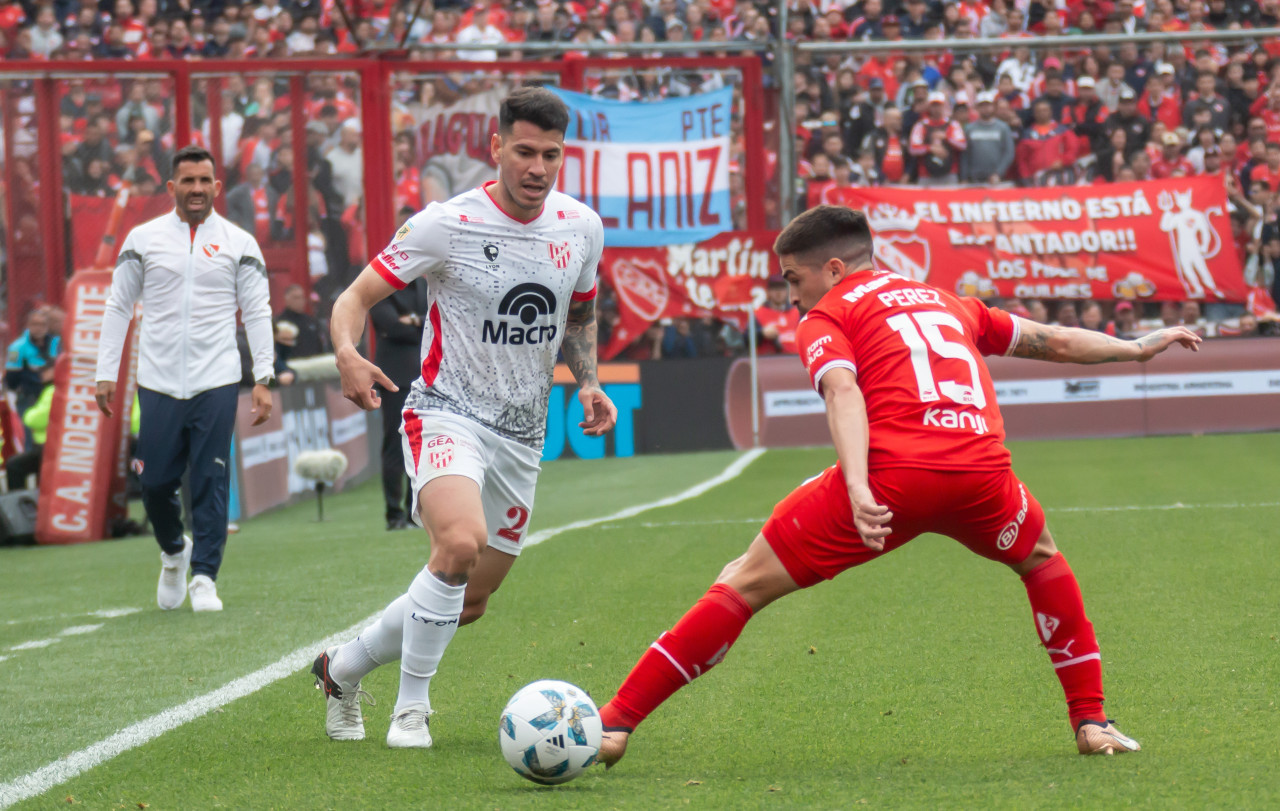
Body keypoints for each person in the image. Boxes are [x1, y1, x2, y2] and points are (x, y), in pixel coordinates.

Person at [595, 206, 1202, 768]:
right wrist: (1138, 348)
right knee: (1041, 560)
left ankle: (616, 723)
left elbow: (842, 391)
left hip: (894, 480)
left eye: (792, 278)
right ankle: (1091, 721)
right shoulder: (949, 303)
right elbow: (1058, 340)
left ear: (833, 269)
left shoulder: (830, 313)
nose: (792, 293)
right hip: (982, 476)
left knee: (743, 581)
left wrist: (858, 485)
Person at [309, 87, 617, 749]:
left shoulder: (581, 227)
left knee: (468, 599)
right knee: (456, 543)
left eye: (551, 155)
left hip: (521, 434)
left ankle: (341, 667)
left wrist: (588, 381)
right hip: (444, 412)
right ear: (497, 147)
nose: (537, 167)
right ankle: (410, 710)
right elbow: (354, 297)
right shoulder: (444, 225)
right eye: (525, 151)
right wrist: (346, 352)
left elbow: (580, 312)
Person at [95, 145, 275, 614]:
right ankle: (175, 552)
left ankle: (204, 578)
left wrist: (264, 374)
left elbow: (257, 310)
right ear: (171, 188)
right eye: (187, 181)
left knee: (211, 481)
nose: (196, 189)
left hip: (216, 378)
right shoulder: (142, 238)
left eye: (204, 181)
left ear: (217, 187)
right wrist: (105, 372)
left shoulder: (240, 243)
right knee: (153, 484)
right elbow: (117, 307)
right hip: (156, 381)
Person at [369, 274, 428, 530]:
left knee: (421, 446)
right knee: (395, 444)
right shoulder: (381, 287)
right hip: (392, 377)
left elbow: (436, 322)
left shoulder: (424, 285)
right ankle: (394, 514)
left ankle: (414, 511)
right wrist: (418, 323)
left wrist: (412, 321)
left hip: (424, 374)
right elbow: (389, 326)